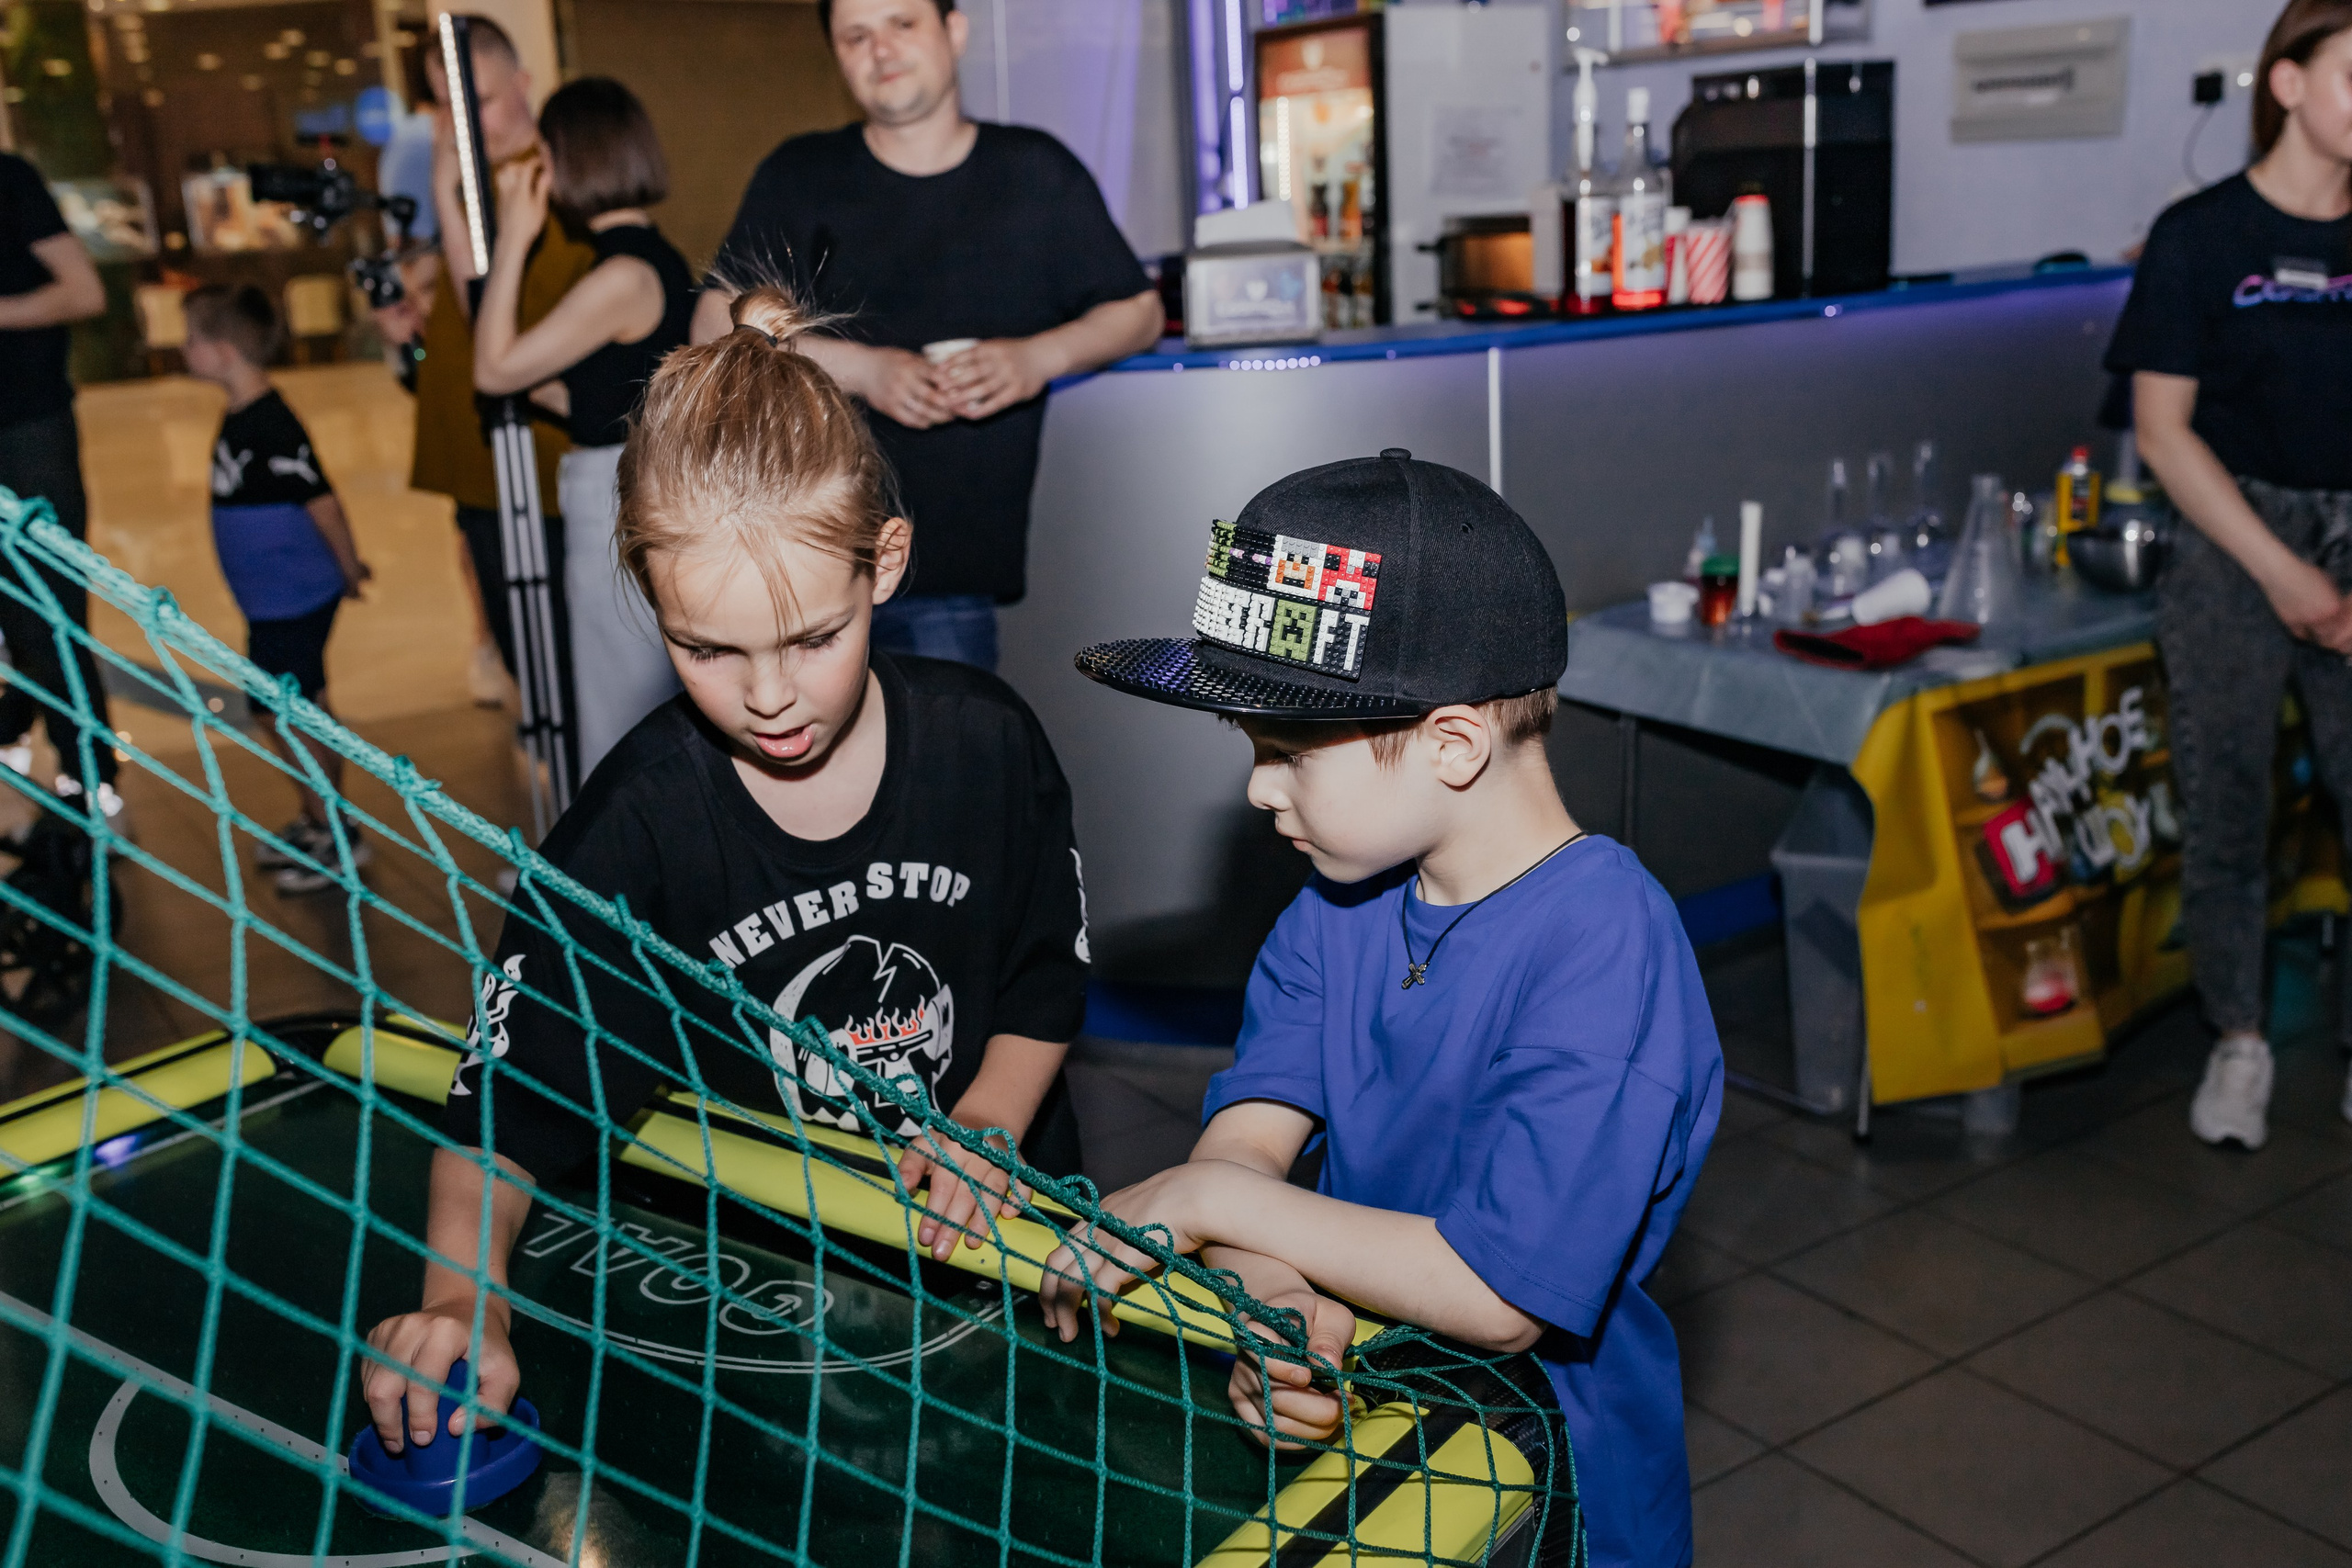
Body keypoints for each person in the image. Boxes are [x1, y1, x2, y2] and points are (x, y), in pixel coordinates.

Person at [358, 288, 1091, 1452]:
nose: (768, 696)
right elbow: (506, 1106)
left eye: (812, 638)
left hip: (1003, 1260)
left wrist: (988, 1123)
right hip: (767, 1301)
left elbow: (1045, 980)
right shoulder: (623, 835)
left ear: (884, 565)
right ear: (652, 600)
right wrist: (463, 1297)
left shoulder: (988, 744)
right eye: (707, 648)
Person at [1040, 453, 1724, 1568]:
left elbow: (1500, 1294)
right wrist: (1276, 1308)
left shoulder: (1606, 944)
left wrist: (1210, 1201)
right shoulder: (1334, 904)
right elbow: (1251, 1142)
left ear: (1453, 744)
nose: (1259, 788)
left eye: (1287, 752)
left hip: (1549, 1480)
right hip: (1374, 1431)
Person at [693, 0, 1163, 672]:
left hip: (955, 568)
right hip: (808, 552)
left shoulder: (1033, 171)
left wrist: (1037, 357)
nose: (880, 49)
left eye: (903, 23)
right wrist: (864, 371)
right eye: (856, 35)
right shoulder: (802, 174)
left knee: (950, 768)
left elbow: (1138, 311)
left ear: (955, 30)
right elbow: (713, 321)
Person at [2109, 0, 2352, 1150]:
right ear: (2291, 83)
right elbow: (2161, 431)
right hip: (2229, 541)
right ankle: (2239, 1041)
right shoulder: (2199, 235)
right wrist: (2285, 575)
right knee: (2227, 805)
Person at [474, 77, 694, 777]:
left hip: (614, 493)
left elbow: (495, 371)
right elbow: (601, 397)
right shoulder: (643, 259)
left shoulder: (622, 274)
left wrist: (512, 242)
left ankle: (609, 883)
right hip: (633, 478)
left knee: (615, 712)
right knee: (628, 699)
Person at [410, 16, 594, 747]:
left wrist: (448, 199)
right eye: (447, 106)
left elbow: (492, 315)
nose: (465, 124)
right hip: (481, 462)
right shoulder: (481, 186)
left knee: (563, 670)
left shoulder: (549, 185)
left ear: (524, 84)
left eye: (478, 100)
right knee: (527, 663)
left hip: (542, 467)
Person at [182, 286, 373, 893]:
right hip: (274, 600)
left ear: (223, 350)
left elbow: (324, 503)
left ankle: (338, 835)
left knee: (285, 712)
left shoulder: (270, 420)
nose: (183, 348)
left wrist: (348, 567)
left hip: (294, 598)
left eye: (191, 338)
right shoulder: (244, 414)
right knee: (295, 706)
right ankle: (322, 819)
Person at [0, 150, 118, 818]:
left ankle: (89, 780)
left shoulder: (11, 179)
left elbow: (85, 291)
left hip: (27, 431)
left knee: (50, 615)